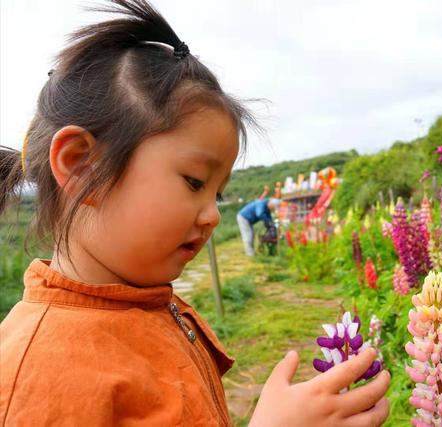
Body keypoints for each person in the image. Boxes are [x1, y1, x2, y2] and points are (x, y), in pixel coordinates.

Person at [0, 1, 390, 426]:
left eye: (218, 194)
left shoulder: (144, 300)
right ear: (82, 168)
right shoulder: (35, 373)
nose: (213, 216)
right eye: (193, 182)